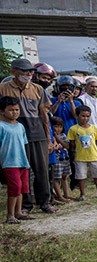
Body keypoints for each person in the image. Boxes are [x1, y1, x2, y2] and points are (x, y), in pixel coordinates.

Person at [0, 58, 56, 214]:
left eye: (31, 71)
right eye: (24, 71)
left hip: (37, 133)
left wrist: (49, 138)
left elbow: (44, 114)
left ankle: (45, 202)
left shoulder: (38, 89)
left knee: (42, 170)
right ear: (14, 71)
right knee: (22, 171)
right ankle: (25, 205)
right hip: (14, 135)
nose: (28, 74)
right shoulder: (3, 88)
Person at [0, 96, 32, 223]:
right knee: (14, 188)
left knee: (22, 188)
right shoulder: (1, 126)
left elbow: (24, 143)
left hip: (22, 161)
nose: (15, 112)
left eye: (17, 110)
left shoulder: (20, 126)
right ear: (2, 111)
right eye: (11, 110)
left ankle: (18, 212)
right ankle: (10, 215)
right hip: (9, 162)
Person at [67, 105, 97, 200]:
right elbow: (72, 143)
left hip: (94, 155)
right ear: (77, 116)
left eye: (88, 116)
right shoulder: (73, 129)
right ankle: (82, 194)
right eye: (83, 116)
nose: (85, 118)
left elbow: (96, 141)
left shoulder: (94, 128)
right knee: (81, 176)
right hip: (80, 156)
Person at [78, 76, 97, 172]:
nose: (94, 88)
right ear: (86, 87)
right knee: (96, 154)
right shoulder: (82, 99)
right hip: (89, 132)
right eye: (92, 86)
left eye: (96, 86)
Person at [49, 116, 72, 202]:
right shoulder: (50, 137)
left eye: (60, 126)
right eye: (56, 126)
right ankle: (59, 195)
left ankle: (66, 194)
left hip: (65, 159)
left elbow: (67, 146)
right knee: (56, 178)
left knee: (65, 176)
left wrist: (58, 138)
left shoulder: (63, 135)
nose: (58, 129)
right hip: (57, 160)